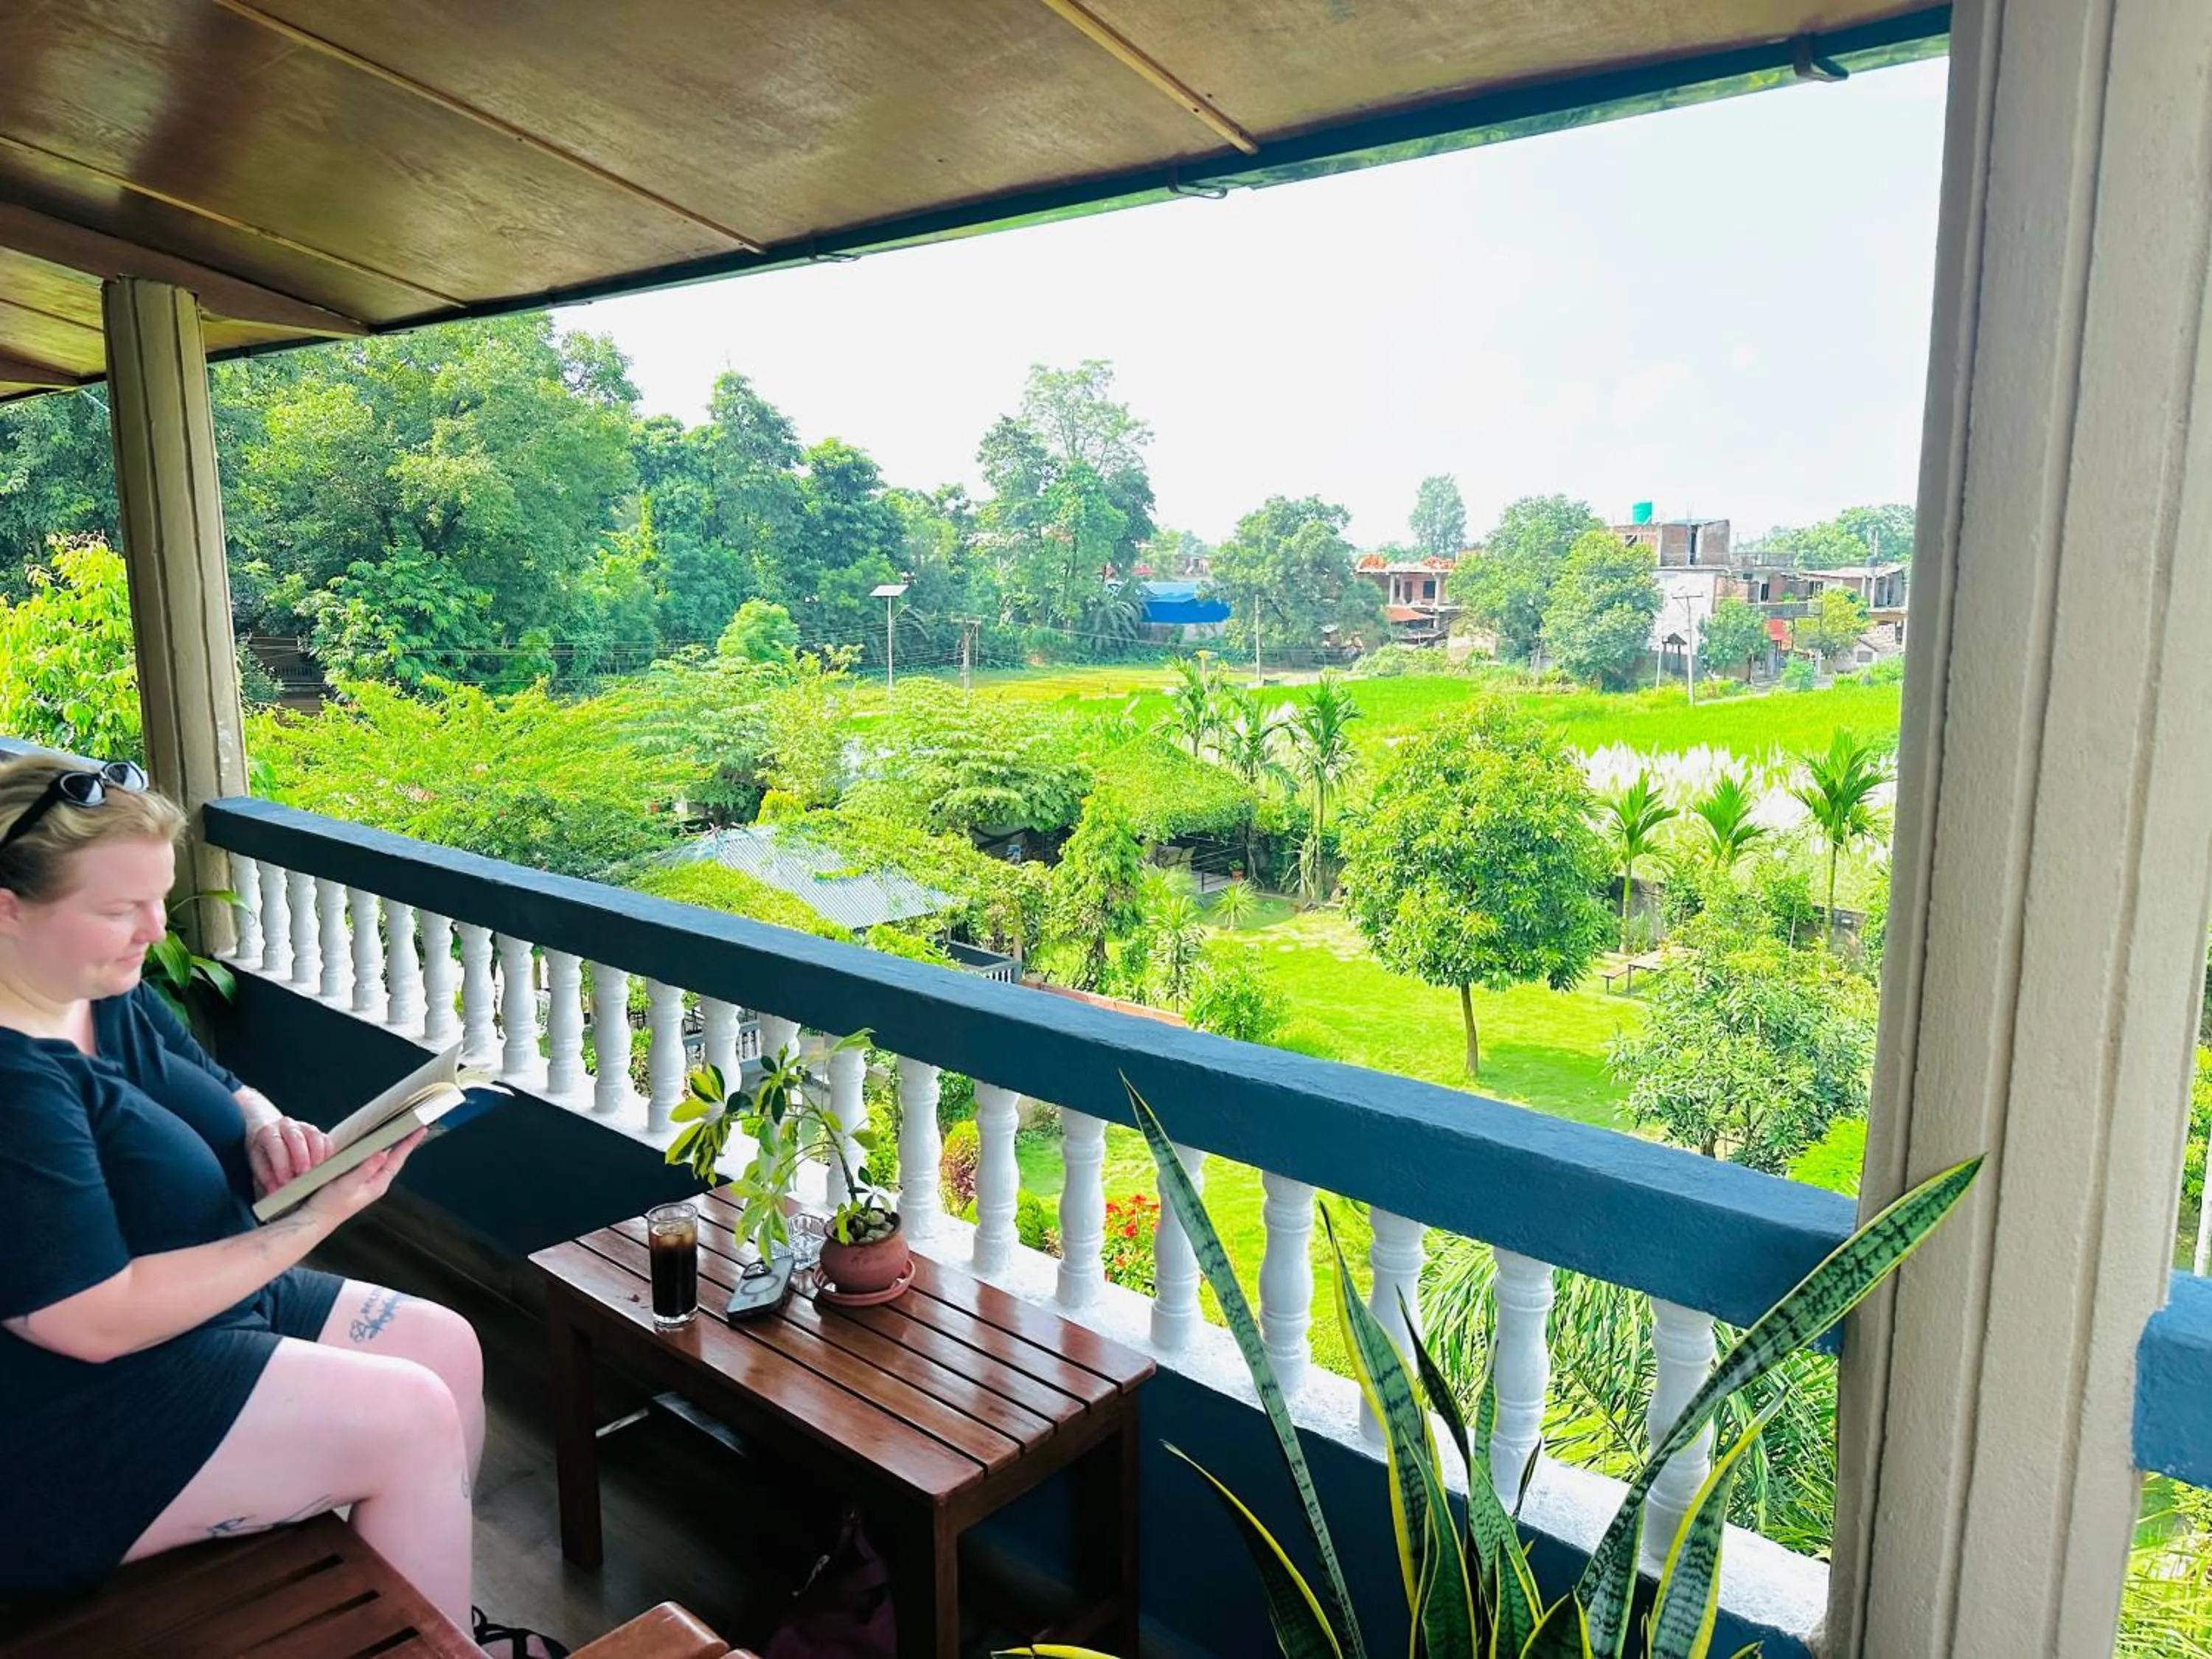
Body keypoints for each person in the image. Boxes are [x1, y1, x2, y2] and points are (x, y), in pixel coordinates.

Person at [0, 754, 563, 1658]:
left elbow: (216, 1079)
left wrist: (263, 1125)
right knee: (408, 1419)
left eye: (158, 899)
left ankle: (438, 1619)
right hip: (73, 1417)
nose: (154, 930)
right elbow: (90, 1320)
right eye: (118, 910)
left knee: (446, 1347)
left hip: (209, 1307)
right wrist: (314, 1218)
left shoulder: (97, 990)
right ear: (7, 909)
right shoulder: (13, 1082)